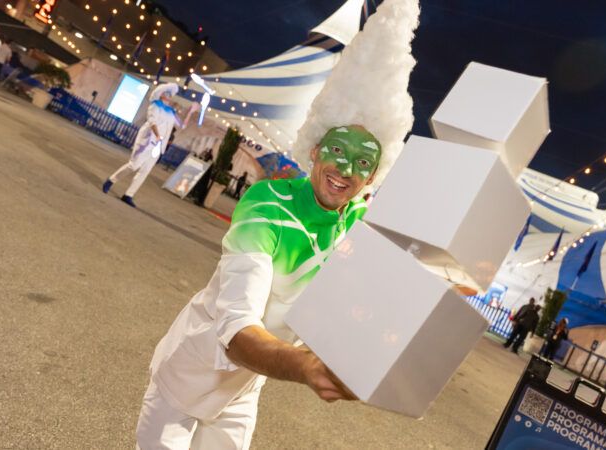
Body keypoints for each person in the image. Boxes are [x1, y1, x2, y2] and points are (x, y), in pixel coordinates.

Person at [135, 0, 419, 445]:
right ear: (315, 148)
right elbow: (235, 329)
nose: (346, 169)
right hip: (193, 368)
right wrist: (305, 365)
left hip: (243, 388)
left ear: (373, 177)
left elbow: (401, 274)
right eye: (338, 150)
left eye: (364, 162)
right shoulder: (269, 205)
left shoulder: (360, 224)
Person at [102, 83, 198, 207]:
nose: (170, 96)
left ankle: (129, 195)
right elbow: (152, 122)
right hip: (147, 141)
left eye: (170, 94)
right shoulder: (155, 105)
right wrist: (157, 135)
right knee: (134, 165)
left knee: (145, 171)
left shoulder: (171, 112)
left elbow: (182, 125)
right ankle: (111, 180)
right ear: (161, 94)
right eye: (167, 93)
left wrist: (190, 112)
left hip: (158, 146)